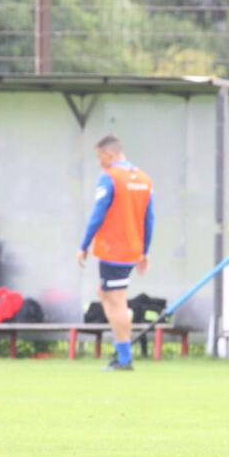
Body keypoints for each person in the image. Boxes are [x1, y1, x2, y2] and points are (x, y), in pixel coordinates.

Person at [76, 135, 154, 371]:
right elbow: (149, 218)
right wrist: (144, 251)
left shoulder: (109, 177)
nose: (100, 162)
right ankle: (123, 346)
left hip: (113, 249)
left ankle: (124, 357)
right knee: (105, 292)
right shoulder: (143, 179)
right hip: (131, 248)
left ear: (109, 155)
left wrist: (83, 244)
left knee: (117, 301)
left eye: (100, 157)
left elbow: (98, 213)